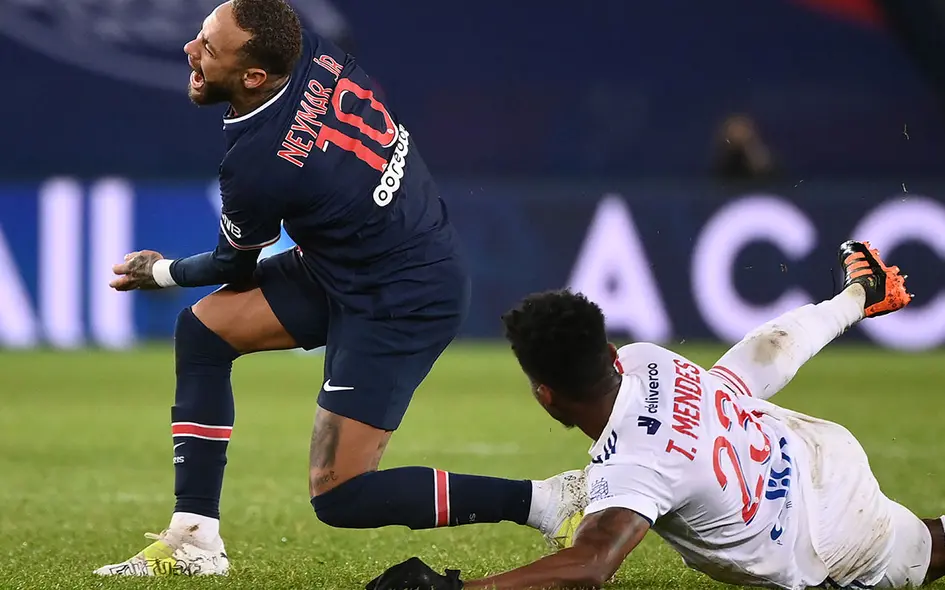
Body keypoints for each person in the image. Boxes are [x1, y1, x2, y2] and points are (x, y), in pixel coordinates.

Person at [96, 0, 584, 576]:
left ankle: (547, 501)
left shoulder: (258, 162)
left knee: (341, 495)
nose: (189, 51)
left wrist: (159, 272)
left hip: (403, 296)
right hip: (353, 262)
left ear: (253, 77)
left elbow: (234, 265)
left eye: (207, 47)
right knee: (203, 332)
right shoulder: (315, 53)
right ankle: (194, 538)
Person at [367, 240, 945, 589]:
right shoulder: (647, 360)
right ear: (610, 354)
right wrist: (851, 302)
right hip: (819, 455)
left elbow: (590, 565)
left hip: (828, 540)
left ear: (545, 396)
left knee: (927, 553)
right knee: (936, 541)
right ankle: (861, 296)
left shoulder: (633, 471)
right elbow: (752, 366)